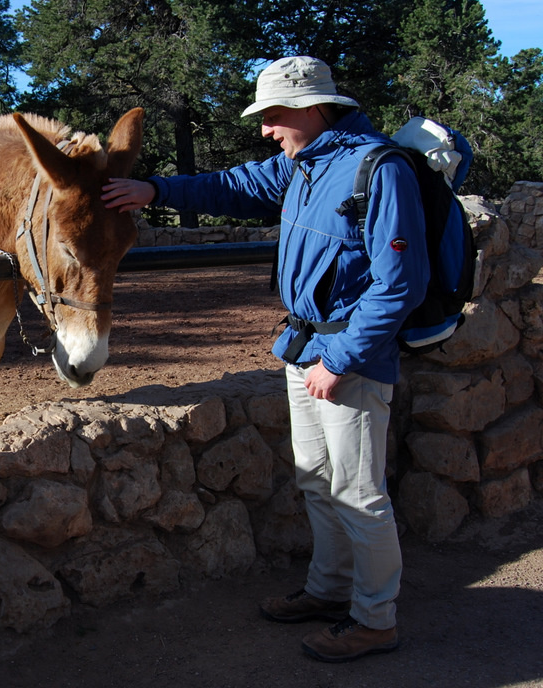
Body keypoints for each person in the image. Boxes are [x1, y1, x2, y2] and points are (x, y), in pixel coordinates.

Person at [102, 55, 429, 663]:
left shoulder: (377, 169)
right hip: (305, 347)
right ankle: (330, 591)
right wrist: (154, 189)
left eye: (274, 116)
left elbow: (399, 283)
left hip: (346, 355)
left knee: (359, 493)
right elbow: (235, 185)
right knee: (317, 481)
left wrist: (342, 358)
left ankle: (375, 619)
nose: (265, 129)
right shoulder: (302, 165)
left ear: (310, 106)